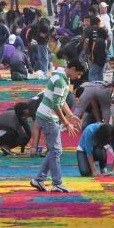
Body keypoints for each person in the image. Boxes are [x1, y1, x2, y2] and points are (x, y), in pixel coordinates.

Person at [30, 61, 85, 193]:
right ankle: (56, 182)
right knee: (56, 151)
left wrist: (70, 115)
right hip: (49, 117)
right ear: (72, 68)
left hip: (44, 114)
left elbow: (61, 100)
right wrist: (67, 123)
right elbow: (56, 105)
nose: (78, 77)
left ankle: (39, 179)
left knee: (55, 150)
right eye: (78, 73)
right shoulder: (61, 81)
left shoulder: (60, 76)